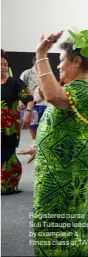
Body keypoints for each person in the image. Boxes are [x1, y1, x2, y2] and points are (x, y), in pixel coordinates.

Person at [18, 30, 88, 256]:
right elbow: (69, 127)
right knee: (60, 226)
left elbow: (53, 96)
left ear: (76, 61)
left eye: (61, 60)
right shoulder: (78, 88)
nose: (59, 66)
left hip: (66, 176)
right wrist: (40, 147)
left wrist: (41, 53)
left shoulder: (83, 88)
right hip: (60, 170)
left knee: (61, 228)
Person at [1, 50, 33, 195]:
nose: (2, 67)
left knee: (8, 154)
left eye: (5, 64)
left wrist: (27, 112)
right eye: (0, 64)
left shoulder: (14, 82)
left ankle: (9, 184)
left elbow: (29, 98)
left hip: (9, 127)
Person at [20, 57, 48, 148]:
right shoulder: (27, 73)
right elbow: (20, 88)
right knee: (33, 124)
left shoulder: (47, 73)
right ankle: (34, 142)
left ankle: (42, 143)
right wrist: (21, 101)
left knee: (44, 125)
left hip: (45, 104)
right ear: (34, 62)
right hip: (33, 104)